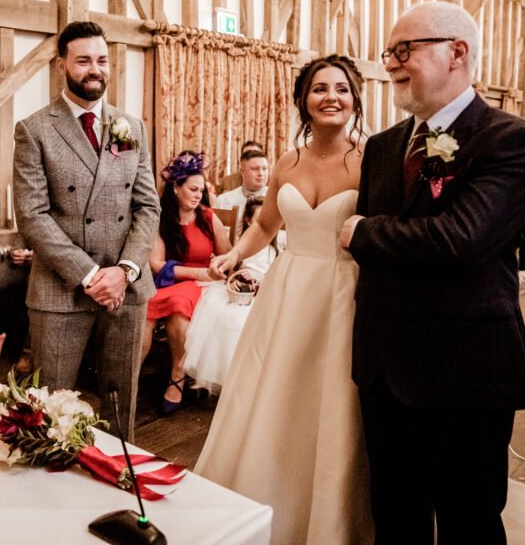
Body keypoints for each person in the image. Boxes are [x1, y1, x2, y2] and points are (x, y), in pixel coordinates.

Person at [340, 1, 525, 544]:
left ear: (457, 52)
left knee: (468, 521)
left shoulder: (512, 140)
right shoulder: (384, 147)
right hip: (385, 367)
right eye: (389, 53)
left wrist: (361, 232)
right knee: (395, 515)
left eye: (404, 50)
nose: (390, 63)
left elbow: (461, 239)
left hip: (466, 371)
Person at [196, 54, 369, 544]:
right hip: (290, 288)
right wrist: (235, 257)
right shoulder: (287, 162)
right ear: (302, 100)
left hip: (345, 291)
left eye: (341, 88)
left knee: (332, 396)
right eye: (319, 88)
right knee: (278, 389)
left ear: (354, 98)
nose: (330, 97)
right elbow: (267, 224)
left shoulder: (370, 159)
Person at [12, 20, 160, 438]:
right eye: (83, 61)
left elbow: (148, 205)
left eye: (101, 60)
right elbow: (32, 216)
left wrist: (125, 270)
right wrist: (92, 276)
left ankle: (118, 486)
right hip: (62, 290)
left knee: (120, 405)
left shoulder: (132, 127)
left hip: (125, 289)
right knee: (51, 412)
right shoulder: (35, 129)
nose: (95, 69)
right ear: (62, 65)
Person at [141, 152, 231, 413]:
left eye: (201, 190)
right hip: (171, 281)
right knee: (144, 308)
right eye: (192, 189)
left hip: (205, 286)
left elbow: (227, 254)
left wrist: (215, 270)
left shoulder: (208, 217)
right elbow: (156, 263)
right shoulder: (162, 218)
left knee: (179, 308)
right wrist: (197, 273)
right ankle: (132, 376)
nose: (197, 195)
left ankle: (177, 376)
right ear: (176, 187)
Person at [183, 197, 278, 394]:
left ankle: (249, 379)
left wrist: (260, 277)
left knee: (245, 320)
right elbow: (233, 270)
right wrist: (236, 279)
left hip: (265, 294)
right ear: (250, 221)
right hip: (240, 293)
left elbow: (276, 277)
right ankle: (222, 376)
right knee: (221, 314)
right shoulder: (244, 248)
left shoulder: (274, 252)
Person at [0, 244, 34, 369]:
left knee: (34, 288)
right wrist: (15, 251)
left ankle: (27, 352)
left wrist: (38, 255)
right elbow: (23, 233)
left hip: (46, 265)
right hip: (24, 262)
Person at [214, 149, 270, 233]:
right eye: (255, 169)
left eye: (264, 169)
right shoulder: (223, 200)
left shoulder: (276, 200)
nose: (261, 173)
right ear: (242, 172)